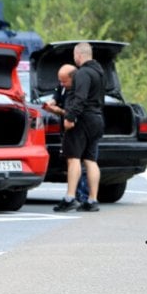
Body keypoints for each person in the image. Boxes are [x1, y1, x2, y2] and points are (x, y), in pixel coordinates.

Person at [53, 42, 106, 212]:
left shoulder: (82, 73)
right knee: (91, 160)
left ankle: (70, 198)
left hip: (82, 120)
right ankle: (92, 200)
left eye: (75, 55)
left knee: (73, 158)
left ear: (79, 55)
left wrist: (70, 117)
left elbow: (80, 98)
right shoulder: (100, 72)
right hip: (97, 118)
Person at [42, 64, 90, 204]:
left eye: (64, 81)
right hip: (68, 128)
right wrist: (51, 103)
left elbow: (72, 112)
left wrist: (59, 111)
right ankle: (77, 194)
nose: (62, 83)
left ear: (73, 78)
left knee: (79, 161)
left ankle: (82, 195)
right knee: (74, 162)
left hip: (78, 127)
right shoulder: (63, 86)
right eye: (60, 81)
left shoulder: (78, 91)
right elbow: (57, 95)